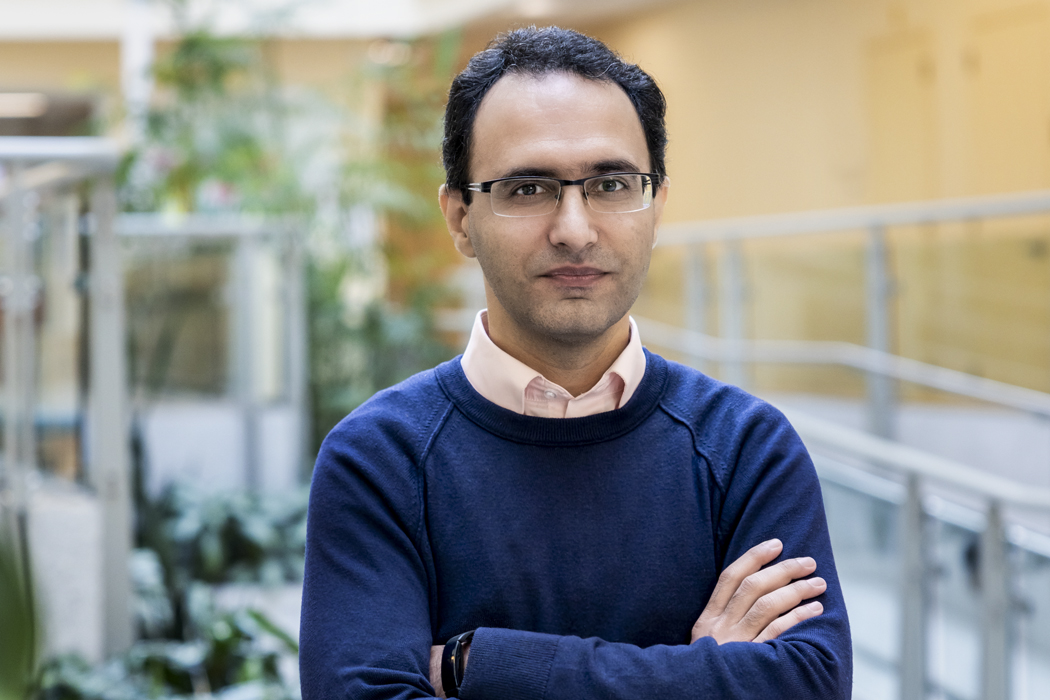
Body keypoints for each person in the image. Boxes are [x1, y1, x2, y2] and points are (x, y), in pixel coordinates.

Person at [299, 26, 852, 700]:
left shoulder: (745, 449)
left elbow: (809, 686)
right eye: (528, 189)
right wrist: (703, 675)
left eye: (611, 183)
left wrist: (477, 666)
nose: (575, 229)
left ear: (656, 205)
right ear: (459, 219)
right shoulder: (381, 459)